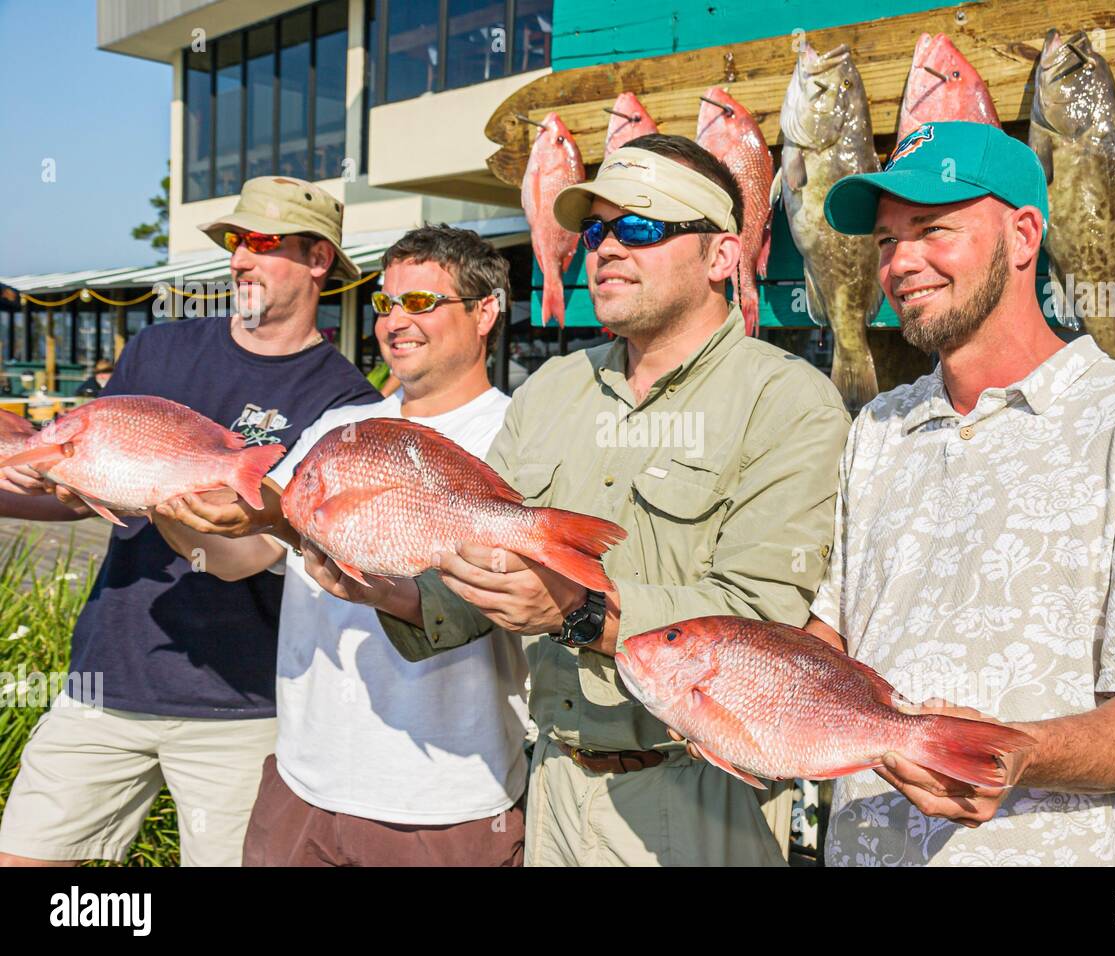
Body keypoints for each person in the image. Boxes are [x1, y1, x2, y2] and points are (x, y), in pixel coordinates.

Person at [328, 135, 851, 866]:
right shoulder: (552, 389)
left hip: (700, 794)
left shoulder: (789, 400)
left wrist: (577, 612)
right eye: (597, 230)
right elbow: (481, 572)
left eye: (639, 227)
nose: (605, 248)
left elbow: (767, 621)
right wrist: (387, 590)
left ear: (723, 257)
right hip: (554, 785)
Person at [802, 120, 1115, 866]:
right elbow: (841, 637)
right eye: (886, 241)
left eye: (931, 228)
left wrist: (1014, 754)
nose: (900, 263)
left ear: (1022, 235)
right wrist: (720, 676)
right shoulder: (880, 426)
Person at [0, 176, 377, 867]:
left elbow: (251, 554)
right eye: (237, 241)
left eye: (263, 243)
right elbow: (80, 492)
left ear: (319, 258)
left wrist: (177, 511)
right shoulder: (158, 349)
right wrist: (31, 470)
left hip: (239, 704)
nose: (239, 260)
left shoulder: (347, 402)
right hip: (104, 681)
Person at [151, 225, 529, 866]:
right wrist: (170, 502)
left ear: (485, 309)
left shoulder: (518, 433)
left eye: (420, 303)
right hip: (303, 782)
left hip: (444, 801)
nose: (394, 323)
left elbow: (524, 604)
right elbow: (243, 557)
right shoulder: (336, 427)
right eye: (386, 304)